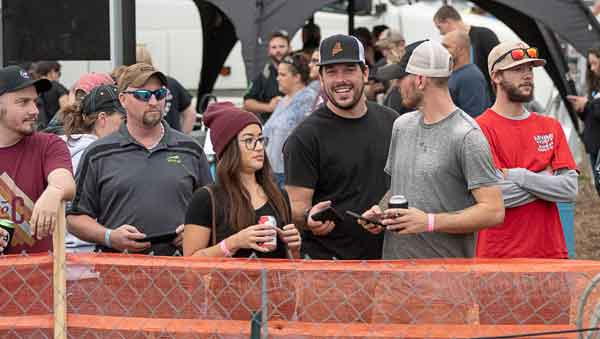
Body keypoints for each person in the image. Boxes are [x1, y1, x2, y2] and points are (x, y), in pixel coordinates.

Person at [361, 40, 504, 259]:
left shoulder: (466, 135)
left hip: (445, 282)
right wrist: (381, 212)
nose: (397, 86)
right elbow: (401, 187)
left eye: (401, 78)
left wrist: (429, 222)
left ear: (420, 80)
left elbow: (493, 211)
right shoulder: (402, 125)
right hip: (395, 276)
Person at [67, 63, 213, 256]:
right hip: (119, 273)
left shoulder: (190, 150)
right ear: (123, 99)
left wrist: (195, 231)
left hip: (178, 270)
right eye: (143, 95)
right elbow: (75, 219)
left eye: (160, 94)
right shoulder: (98, 153)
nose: (153, 101)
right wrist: (109, 236)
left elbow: (213, 208)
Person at [283, 34, 399, 260]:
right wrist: (308, 216)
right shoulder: (305, 137)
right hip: (330, 269)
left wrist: (383, 209)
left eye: (348, 70)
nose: (340, 79)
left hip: (389, 263)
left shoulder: (393, 122)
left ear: (365, 73)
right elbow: (295, 206)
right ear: (321, 78)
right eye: (332, 72)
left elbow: (404, 183)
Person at [476, 41, 578, 258]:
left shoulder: (550, 126)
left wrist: (517, 175)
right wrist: (546, 182)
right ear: (496, 77)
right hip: (499, 257)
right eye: (517, 69)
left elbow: (569, 189)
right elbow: (491, 198)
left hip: (550, 254)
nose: (528, 75)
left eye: (530, 68)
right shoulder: (478, 129)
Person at [183, 102, 301, 258]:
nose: (259, 147)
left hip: (272, 282)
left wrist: (294, 248)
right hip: (227, 282)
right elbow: (189, 265)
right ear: (229, 147)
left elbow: (291, 264)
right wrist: (234, 243)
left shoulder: (279, 195)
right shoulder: (206, 199)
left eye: (260, 139)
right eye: (249, 140)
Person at [0, 65, 76, 254]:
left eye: (35, 102)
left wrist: (55, 191)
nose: (34, 110)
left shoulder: (48, 145)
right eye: (23, 102)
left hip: (39, 280)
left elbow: (65, 181)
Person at [60, 85, 126, 252]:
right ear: (102, 118)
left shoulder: (60, 147)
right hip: (87, 251)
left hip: (60, 251)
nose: (128, 126)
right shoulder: (98, 154)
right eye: (124, 119)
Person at [264, 54, 317, 187]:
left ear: (297, 77)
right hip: (271, 172)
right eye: (278, 74)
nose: (277, 78)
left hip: (290, 174)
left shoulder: (308, 100)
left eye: (282, 75)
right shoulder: (283, 100)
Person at [434, 5, 499, 99]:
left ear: (448, 22)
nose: (441, 33)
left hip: (487, 99)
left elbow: (499, 65)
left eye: (439, 27)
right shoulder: (453, 44)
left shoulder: (484, 35)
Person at [136, 45, 196, 134]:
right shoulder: (171, 82)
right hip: (173, 143)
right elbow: (190, 113)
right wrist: (183, 139)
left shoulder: (129, 86)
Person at [567, 46, 600, 196]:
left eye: (594, 63)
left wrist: (588, 104)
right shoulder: (595, 86)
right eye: (590, 64)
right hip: (594, 144)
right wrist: (582, 108)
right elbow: (592, 114)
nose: (592, 68)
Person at [44, 72, 115, 135]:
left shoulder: (110, 116)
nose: (81, 100)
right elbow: (49, 133)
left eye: (84, 95)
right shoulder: (67, 113)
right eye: (80, 95)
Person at [243, 31, 291, 122]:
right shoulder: (264, 74)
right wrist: (269, 107)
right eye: (274, 47)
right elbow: (247, 103)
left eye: (281, 46)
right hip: (270, 125)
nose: (278, 51)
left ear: (289, 48)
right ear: (269, 51)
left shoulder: (300, 69)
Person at [442, 30, 490, 117]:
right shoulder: (453, 73)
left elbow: (475, 117)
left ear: (460, 49)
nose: (442, 50)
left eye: (446, 47)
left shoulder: (470, 77)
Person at [33, 61, 69, 129]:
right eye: (58, 72)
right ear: (51, 72)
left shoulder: (32, 88)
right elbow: (66, 109)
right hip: (54, 130)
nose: (59, 76)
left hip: (38, 129)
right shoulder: (57, 87)